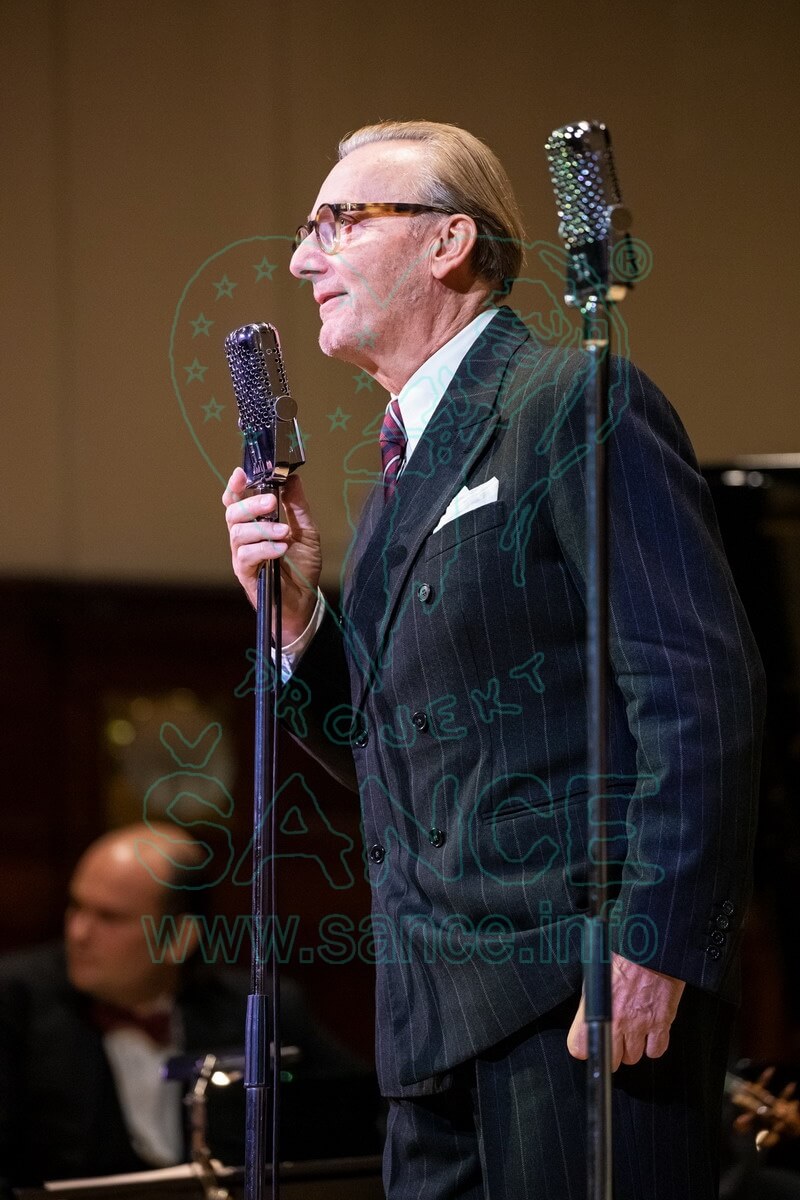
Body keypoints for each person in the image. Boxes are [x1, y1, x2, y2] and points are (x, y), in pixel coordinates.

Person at [223, 120, 765, 1199]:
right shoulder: (397, 473)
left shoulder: (571, 399)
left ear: (448, 241)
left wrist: (654, 946)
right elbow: (395, 756)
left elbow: (700, 689)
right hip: (429, 1023)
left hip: (580, 1001)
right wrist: (294, 624)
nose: (300, 259)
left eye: (338, 222)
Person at [0, 822, 367, 1188]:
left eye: (110, 917)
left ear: (180, 937)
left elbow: (365, 1119)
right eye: (76, 907)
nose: (78, 933)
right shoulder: (14, 1002)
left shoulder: (258, 1009)